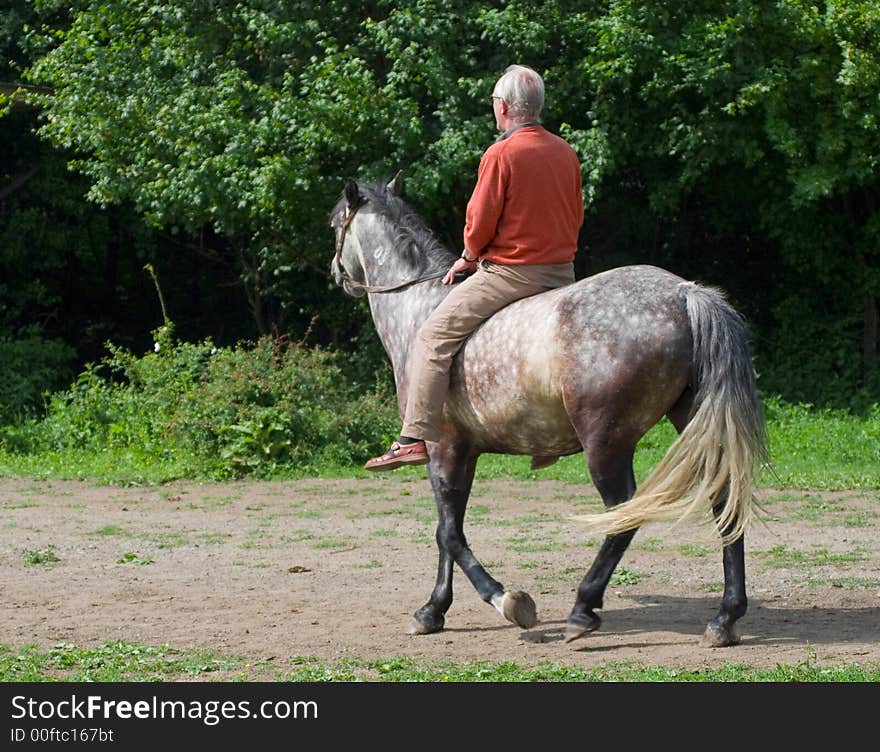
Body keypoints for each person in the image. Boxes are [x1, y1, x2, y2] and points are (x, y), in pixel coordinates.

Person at [365, 64, 584, 471]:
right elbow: (575, 214)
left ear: (502, 107)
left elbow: (479, 221)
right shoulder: (565, 151)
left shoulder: (502, 153)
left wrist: (468, 256)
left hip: (511, 274)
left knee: (430, 338)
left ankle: (413, 438)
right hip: (561, 274)